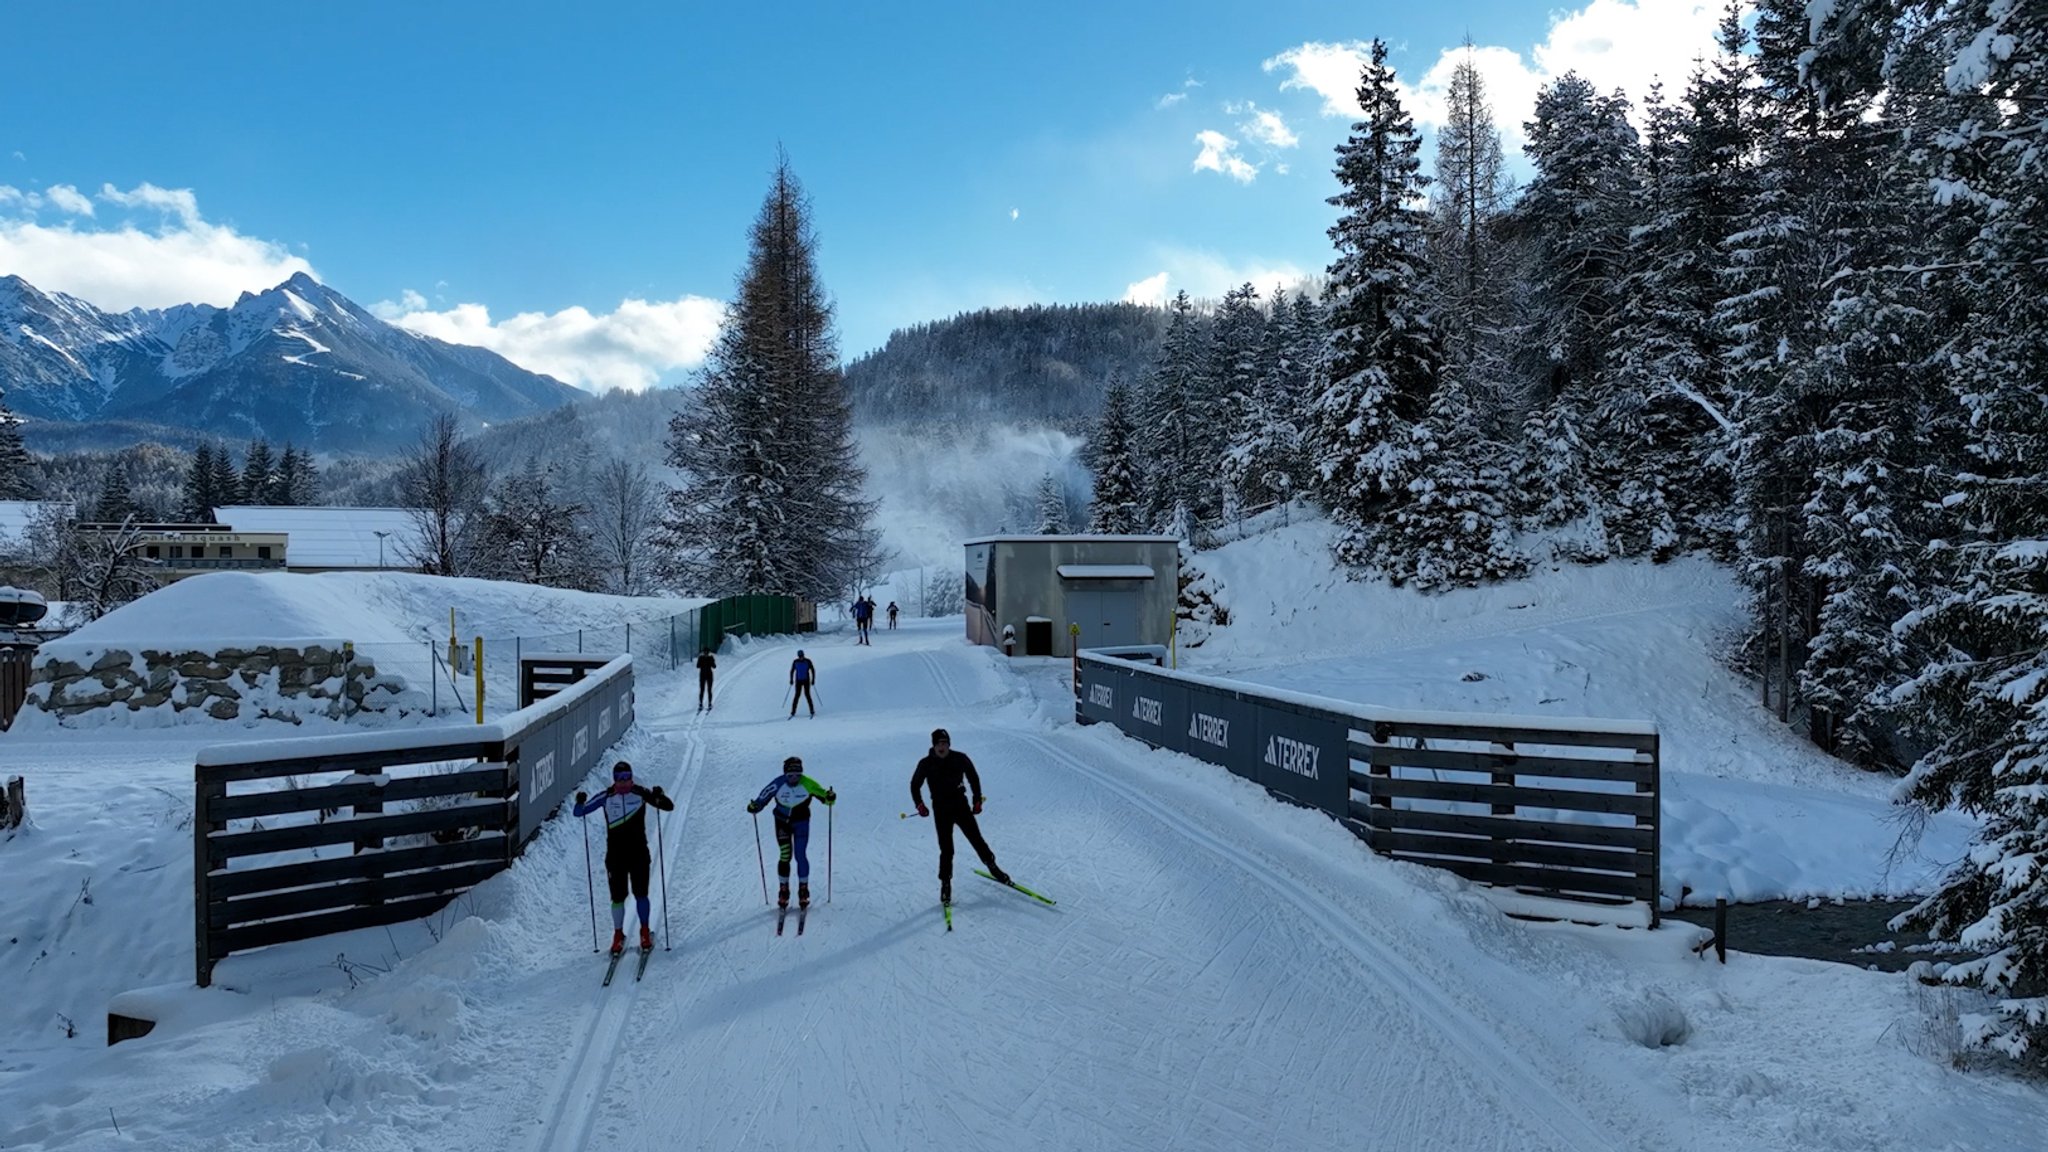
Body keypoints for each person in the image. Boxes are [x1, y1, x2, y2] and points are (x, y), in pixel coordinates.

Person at [572, 762, 674, 954]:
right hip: (616, 857)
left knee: (641, 894)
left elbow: (668, 807)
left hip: (639, 855)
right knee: (617, 898)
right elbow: (579, 812)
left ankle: (644, 931)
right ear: (614, 779)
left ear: (632, 777)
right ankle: (618, 935)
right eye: (619, 778)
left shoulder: (640, 793)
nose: (624, 782)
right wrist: (580, 801)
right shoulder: (607, 797)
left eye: (627, 777)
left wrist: (660, 796)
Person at [909, 727, 1009, 905]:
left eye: (945, 743)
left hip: (960, 805)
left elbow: (973, 777)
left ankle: (993, 868)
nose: (942, 747)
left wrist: (976, 800)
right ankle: (945, 884)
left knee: (976, 839)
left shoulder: (960, 758)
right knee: (946, 849)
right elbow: (915, 785)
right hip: (941, 809)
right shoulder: (926, 764)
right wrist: (920, 804)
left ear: (949, 744)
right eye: (939, 743)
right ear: (933, 745)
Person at [745, 756, 837, 907]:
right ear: (785, 774)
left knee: (800, 855)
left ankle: (803, 890)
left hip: (801, 823)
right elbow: (763, 797)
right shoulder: (778, 783)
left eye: (797, 775)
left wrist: (830, 797)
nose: (794, 778)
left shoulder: (808, 783)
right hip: (782, 823)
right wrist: (755, 806)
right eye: (790, 775)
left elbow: (825, 797)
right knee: (785, 854)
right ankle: (784, 890)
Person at [789, 650, 817, 717]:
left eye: (802, 656)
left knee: (807, 695)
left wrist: (813, 680)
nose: (801, 657)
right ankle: (793, 712)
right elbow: (792, 671)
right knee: (797, 696)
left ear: (803, 655)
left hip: (806, 681)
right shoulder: (795, 662)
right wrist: (791, 680)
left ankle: (812, 710)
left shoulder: (808, 661)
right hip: (798, 681)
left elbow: (813, 670)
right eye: (799, 656)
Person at [695, 646, 716, 711]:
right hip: (704, 675)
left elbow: (714, 666)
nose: (706, 653)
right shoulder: (701, 658)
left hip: (707, 675)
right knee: (703, 690)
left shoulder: (710, 658)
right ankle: (701, 703)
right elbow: (698, 666)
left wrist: (711, 661)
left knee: (708, 690)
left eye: (706, 652)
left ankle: (709, 703)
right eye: (705, 652)